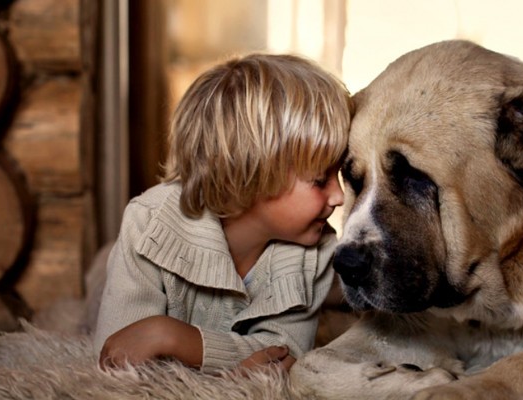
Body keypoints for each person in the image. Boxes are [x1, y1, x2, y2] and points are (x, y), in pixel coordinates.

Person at [94, 53, 351, 375]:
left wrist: (170, 336)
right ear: (253, 172)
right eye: (320, 180)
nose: (339, 197)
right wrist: (238, 362)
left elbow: (285, 358)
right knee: (98, 283)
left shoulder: (317, 249)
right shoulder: (148, 222)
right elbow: (117, 354)